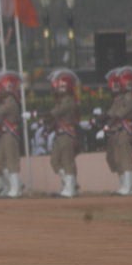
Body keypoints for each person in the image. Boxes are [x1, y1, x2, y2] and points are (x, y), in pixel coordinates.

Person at [101, 66, 132, 196]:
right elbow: (111, 113)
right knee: (115, 159)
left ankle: (128, 187)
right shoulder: (119, 98)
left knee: (125, 159)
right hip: (117, 131)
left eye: (118, 83)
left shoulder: (130, 98)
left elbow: (119, 115)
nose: (115, 86)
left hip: (124, 131)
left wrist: (107, 123)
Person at [0, 71, 23, 198]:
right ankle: (11, 186)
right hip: (4, 134)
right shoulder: (5, 101)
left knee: (11, 161)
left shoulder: (10, 101)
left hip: (10, 133)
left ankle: (16, 189)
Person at [47, 69, 80, 198]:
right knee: (55, 161)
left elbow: (54, 114)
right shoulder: (61, 100)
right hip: (60, 134)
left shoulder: (68, 101)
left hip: (67, 134)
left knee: (67, 161)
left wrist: (34, 115)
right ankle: (69, 185)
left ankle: (70, 189)